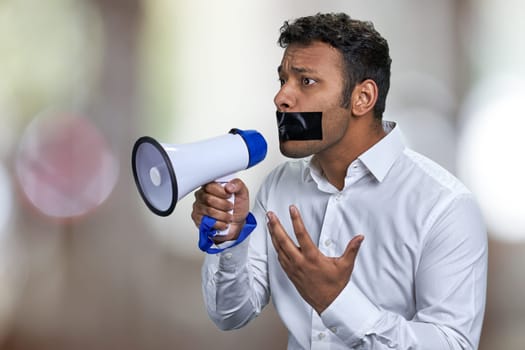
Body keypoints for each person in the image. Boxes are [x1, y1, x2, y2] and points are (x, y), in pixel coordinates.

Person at [191, 12, 487, 349]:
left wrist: (336, 301)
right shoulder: (278, 186)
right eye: (282, 80)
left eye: (306, 81)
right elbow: (230, 314)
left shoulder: (444, 206)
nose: (281, 98)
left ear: (362, 98)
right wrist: (230, 240)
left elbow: (453, 345)